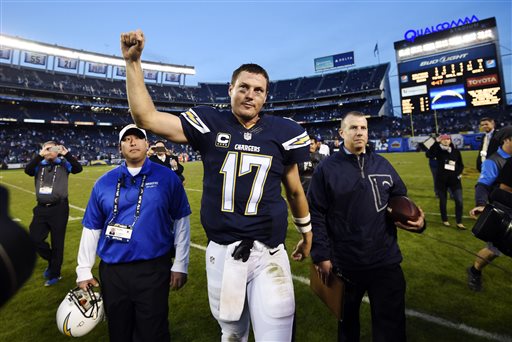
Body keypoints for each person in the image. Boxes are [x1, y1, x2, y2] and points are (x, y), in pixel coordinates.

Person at [121, 29, 312, 341]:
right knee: (232, 333)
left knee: (277, 334)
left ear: (265, 96)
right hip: (224, 252)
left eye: (258, 90)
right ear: (230, 89)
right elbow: (146, 118)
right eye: (244, 87)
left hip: (270, 251)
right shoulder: (210, 122)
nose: (251, 94)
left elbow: (294, 190)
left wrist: (307, 234)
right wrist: (133, 62)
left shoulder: (283, 132)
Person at [308, 111, 426, 342]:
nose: (359, 132)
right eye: (353, 128)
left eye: (363, 128)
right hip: (346, 261)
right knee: (347, 324)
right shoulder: (327, 169)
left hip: (385, 259)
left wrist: (419, 221)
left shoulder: (382, 163)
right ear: (342, 133)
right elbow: (316, 213)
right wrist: (321, 254)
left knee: (391, 327)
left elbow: (401, 199)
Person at [75, 124, 191, 341]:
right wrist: (83, 270)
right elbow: (92, 227)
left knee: (153, 331)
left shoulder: (167, 178)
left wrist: (181, 264)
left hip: (154, 268)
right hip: (113, 271)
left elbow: (181, 221)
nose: (132, 142)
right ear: (120, 148)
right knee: (119, 331)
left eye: (138, 138)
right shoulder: (103, 183)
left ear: (147, 144)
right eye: (126, 139)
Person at [24, 141, 82, 286]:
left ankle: (55, 273)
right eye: (47, 149)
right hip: (41, 208)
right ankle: (52, 260)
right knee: (34, 239)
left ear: (58, 150)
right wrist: (40, 155)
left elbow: (78, 168)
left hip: (59, 208)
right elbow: (28, 170)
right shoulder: (39, 164)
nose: (50, 151)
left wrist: (66, 154)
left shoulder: (63, 164)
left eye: (53, 149)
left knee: (57, 242)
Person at [467, 126, 512, 292]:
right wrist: (481, 203)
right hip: (503, 211)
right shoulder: (494, 161)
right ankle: (475, 270)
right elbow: (482, 185)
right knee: (494, 250)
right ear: (506, 139)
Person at [425, 134, 465, 229]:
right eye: (444, 139)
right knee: (443, 201)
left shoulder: (456, 152)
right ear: (441, 141)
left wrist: (458, 173)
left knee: (459, 201)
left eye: (448, 139)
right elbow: (429, 154)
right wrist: (435, 143)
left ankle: (459, 221)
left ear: (450, 140)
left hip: (454, 181)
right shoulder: (438, 151)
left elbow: (460, 164)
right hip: (441, 180)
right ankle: (445, 219)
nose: (446, 141)